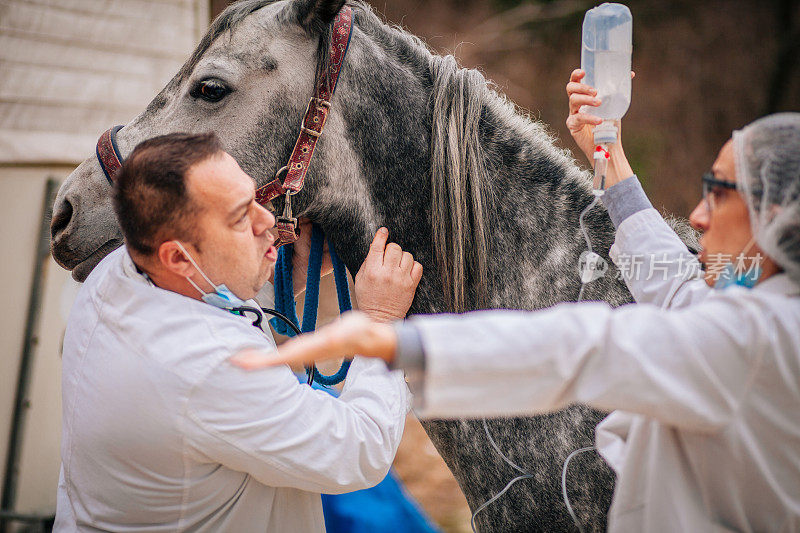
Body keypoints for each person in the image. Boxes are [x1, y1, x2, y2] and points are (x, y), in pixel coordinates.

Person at [233, 77, 800, 531]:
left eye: (719, 191)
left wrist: (391, 336)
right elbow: (676, 285)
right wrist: (605, 151)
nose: (697, 217)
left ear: (776, 213)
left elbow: (584, 346)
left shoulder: (757, 336)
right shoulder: (767, 309)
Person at [55, 132, 422, 531]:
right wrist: (380, 320)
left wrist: (292, 272)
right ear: (178, 256)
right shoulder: (208, 366)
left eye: (254, 199)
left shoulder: (117, 273)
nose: (269, 222)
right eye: (239, 217)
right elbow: (359, 452)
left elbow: (211, 300)